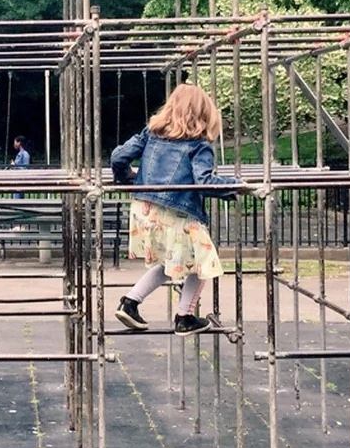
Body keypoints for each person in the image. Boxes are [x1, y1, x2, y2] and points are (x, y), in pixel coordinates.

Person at [110, 84, 257, 336]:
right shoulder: (198, 145)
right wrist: (238, 186)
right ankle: (185, 316)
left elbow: (118, 157)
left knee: (173, 262)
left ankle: (130, 302)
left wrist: (127, 177)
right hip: (175, 212)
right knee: (203, 262)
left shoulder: (151, 133)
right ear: (204, 113)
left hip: (145, 209)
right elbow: (205, 182)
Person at [10, 135, 31, 199]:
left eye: (15, 142)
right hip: (17, 179)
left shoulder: (25, 154)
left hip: (20, 180)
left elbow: (25, 168)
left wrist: (15, 166)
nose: (14, 144)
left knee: (17, 197)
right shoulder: (20, 154)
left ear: (19, 143)